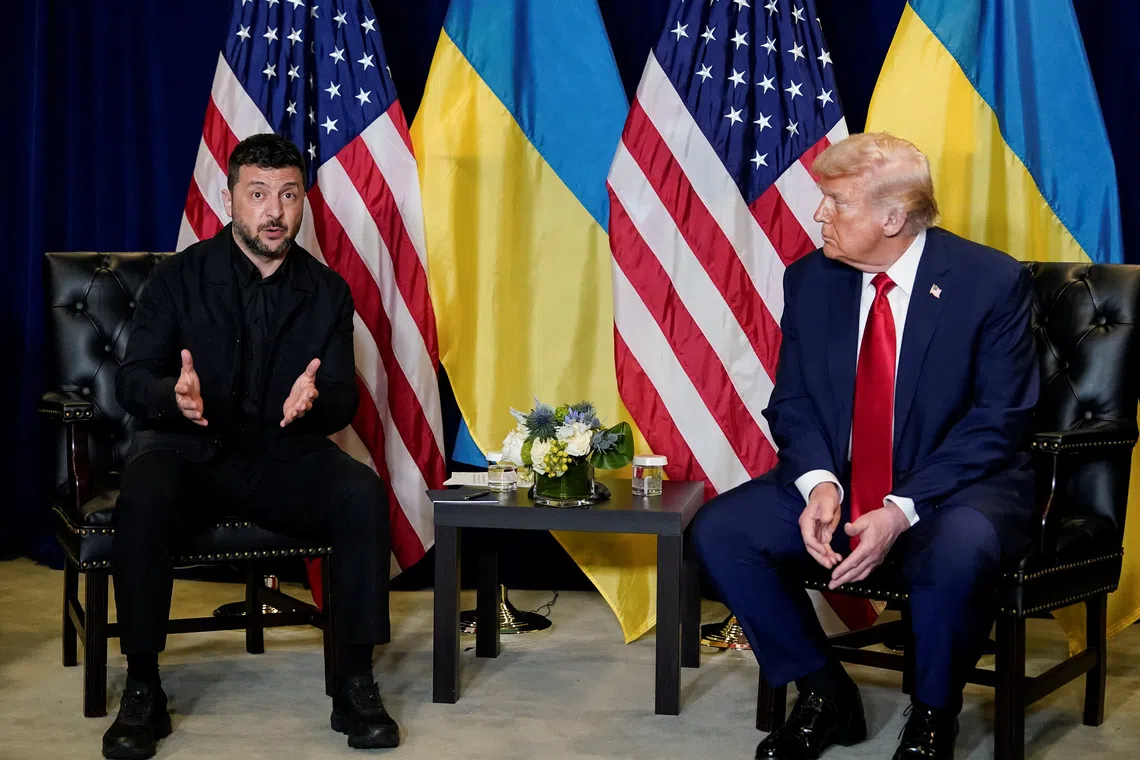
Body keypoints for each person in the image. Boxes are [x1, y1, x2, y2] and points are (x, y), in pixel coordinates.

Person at [692, 132, 1038, 760]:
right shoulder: (812, 280)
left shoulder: (990, 281)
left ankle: (934, 716)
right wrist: (819, 481)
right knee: (722, 529)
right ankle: (826, 694)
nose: (819, 214)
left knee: (959, 546)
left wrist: (902, 507)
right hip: (849, 479)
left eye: (836, 201)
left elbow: (998, 421)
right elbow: (793, 401)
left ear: (892, 217)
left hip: (956, 488)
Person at [104, 134, 398, 759]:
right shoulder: (177, 278)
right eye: (258, 194)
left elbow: (343, 395)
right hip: (186, 453)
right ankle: (143, 685)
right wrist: (168, 395)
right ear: (229, 198)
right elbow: (131, 379)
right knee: (143, 498)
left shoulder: (327, 291)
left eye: (289, 195)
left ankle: (355, 681)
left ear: (303, 203)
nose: (274, 211)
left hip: (280, 456)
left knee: (362, 493)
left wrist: (318, 405)